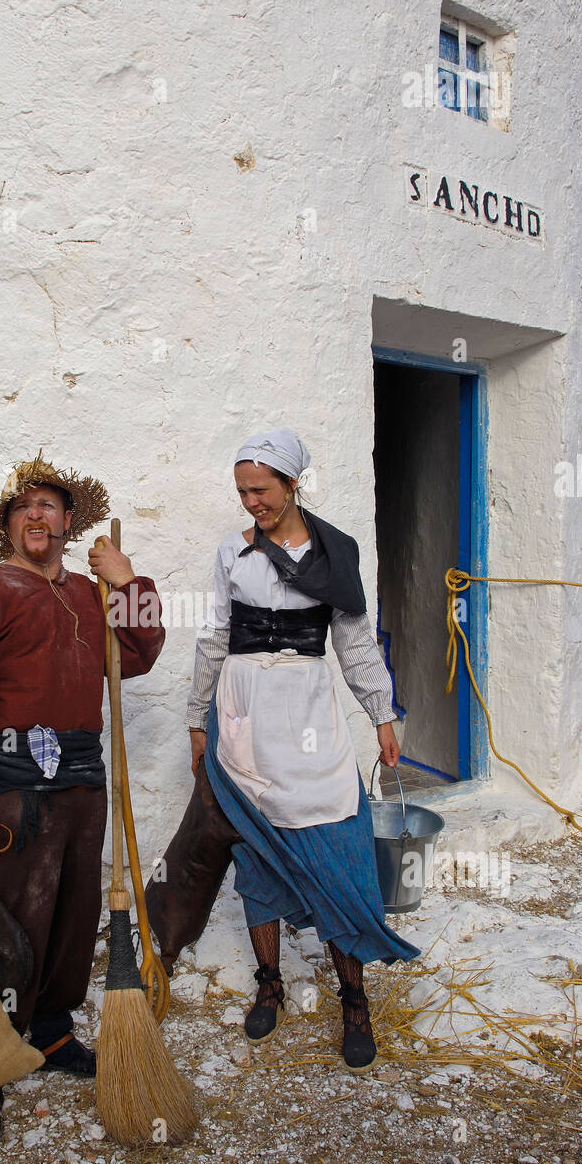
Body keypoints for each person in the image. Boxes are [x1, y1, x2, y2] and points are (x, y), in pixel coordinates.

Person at [0, 452, 164, 1152]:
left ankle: (52, 1034)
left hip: (83, 788)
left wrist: (129, 583)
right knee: (7, 932)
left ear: (68, 522)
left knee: (70, 919)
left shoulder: (91, 594)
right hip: (17, 791)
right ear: (7, 523)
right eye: (22, 507)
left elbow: (138, 654)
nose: (36, 516)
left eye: (49, 506)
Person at [182, 429, 419, 1071]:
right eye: (241, 492)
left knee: (337, 842)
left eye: (260, 490)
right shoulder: (234, 553)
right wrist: (196, 718)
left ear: (292, 485)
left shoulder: (335, 553)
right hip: (245, 714)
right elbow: (215, 636)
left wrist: (381, 714)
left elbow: (356, 641)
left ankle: (354, 999)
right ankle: (269, 983)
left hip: (308, 710)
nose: (250, 502)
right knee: (258, 849)